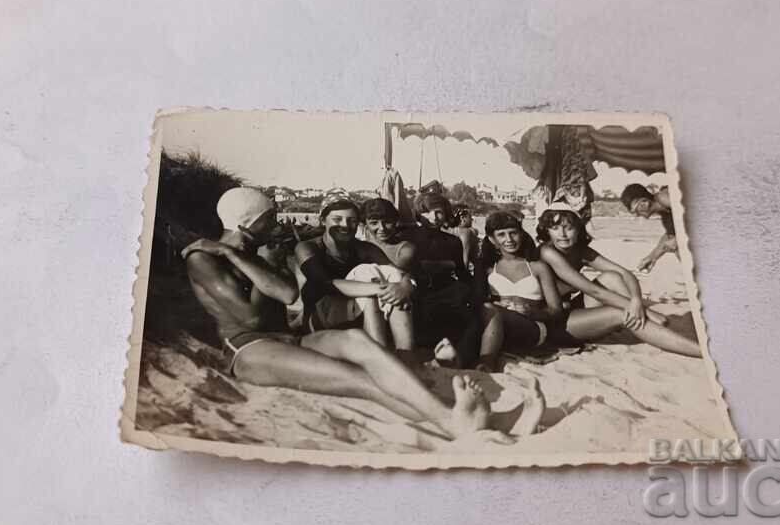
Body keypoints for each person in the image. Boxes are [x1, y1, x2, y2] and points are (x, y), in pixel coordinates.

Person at [181, 187, 528, 441]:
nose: (277, 223)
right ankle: (451, 421)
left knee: (357, 342)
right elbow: (252, 319)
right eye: (269, 218)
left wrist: (244, 256)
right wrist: (244, 259)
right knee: (361, 380)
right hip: (249, 349)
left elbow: (286, 294)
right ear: (249, 221)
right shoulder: (203, 259)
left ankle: (490, 423)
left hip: (289, 339)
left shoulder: (253, 253)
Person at [536, 204, 702, 358]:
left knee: (612, 277)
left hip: (571, 311)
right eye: (555, 228)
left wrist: (637, 301)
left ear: (578, 229)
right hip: (554, 324)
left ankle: (642, 318)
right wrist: (645, 311)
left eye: (568, 228)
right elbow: (593, 291)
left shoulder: (580, 250)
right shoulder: (547, 253)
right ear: (547, 231)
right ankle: (701, 352)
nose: (562, 234)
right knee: (624, 314)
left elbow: (624, 273)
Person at [295, 195, 415, 350]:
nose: (345, 225)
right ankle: (379, 357)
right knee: (368, 282)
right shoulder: (308, 247)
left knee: (395, 283)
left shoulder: (365, 248)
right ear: (323, 221)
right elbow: (323, 283)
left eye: (352, 221)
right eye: (337, 219)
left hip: (353, 315)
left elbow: (400, 274)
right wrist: (382, 290)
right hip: (318, 318)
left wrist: (404, 287)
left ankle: (406, 354)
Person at [473, 212, 565, 372]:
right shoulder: (487, 268)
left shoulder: (537, 267)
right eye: (501, 235)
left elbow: (556, 310)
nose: (509, 239)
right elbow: (477, 301)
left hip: (531, 328)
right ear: (492, 240)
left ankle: (486, 363)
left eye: (513, 233)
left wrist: (532, 312)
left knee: (491, 311)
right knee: (487, 311)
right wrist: (496, 306)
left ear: (521, 234)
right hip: (498, 326)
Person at [402, 192, 483, 368]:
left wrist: (479, 289)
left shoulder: (452, 241)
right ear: (418, 214)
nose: (434, 217)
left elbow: (462, 273)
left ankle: (461, 358)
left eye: (439, 212)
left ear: (446, 214)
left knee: (475, 317)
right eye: (427, 212)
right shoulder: (408, 237)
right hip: (418, 292)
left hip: (446, 291)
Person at [620, 183, 677, 272]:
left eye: (635, 210)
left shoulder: (663, 197)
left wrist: (677, 240)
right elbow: (669, 236)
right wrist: (651, 257)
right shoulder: (665, 214)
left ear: (645, 202)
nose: (637, 214)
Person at [450, 205, 479, 270]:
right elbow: (465, 257)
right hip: (467, 269)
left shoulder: (450, 230)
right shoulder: (466, 232)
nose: (472, 219)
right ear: (462, 218)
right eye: (470, 217)